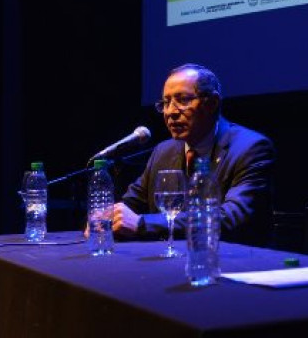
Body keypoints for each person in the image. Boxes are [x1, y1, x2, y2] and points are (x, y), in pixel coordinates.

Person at [113, 63, 276, 246]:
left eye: (182, 100)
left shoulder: (250, 148)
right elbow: (130, 204)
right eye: (166, 103)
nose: (171, 112)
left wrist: (143, 224)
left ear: (212, 103)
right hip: (172, 261)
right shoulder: (163, 152)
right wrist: (107, 220)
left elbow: (231, 217)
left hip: (233, 262)